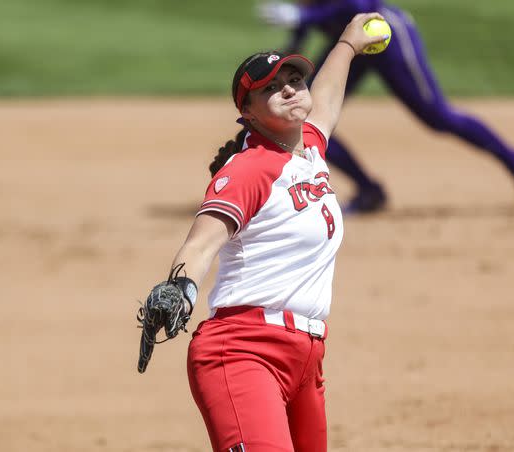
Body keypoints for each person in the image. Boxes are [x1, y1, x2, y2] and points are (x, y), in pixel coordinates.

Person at [135, 13, 389, 452]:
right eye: (271, 87)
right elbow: (202, 241)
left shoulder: (308, 149)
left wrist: (347, 43)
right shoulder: (250, 168)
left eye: (294, 79)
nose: (289, 88)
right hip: (243, 353)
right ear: (247, 112)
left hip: (306, 358)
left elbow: (326, 102)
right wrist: (181, 288)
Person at [255, 0, 514, 212]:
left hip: (385, 34)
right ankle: (369, 191)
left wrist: (303, 16)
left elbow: (360, 3)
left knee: (436, 116)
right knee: (305, 119)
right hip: (346, 44)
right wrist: (291, 45)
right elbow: (302, 25)